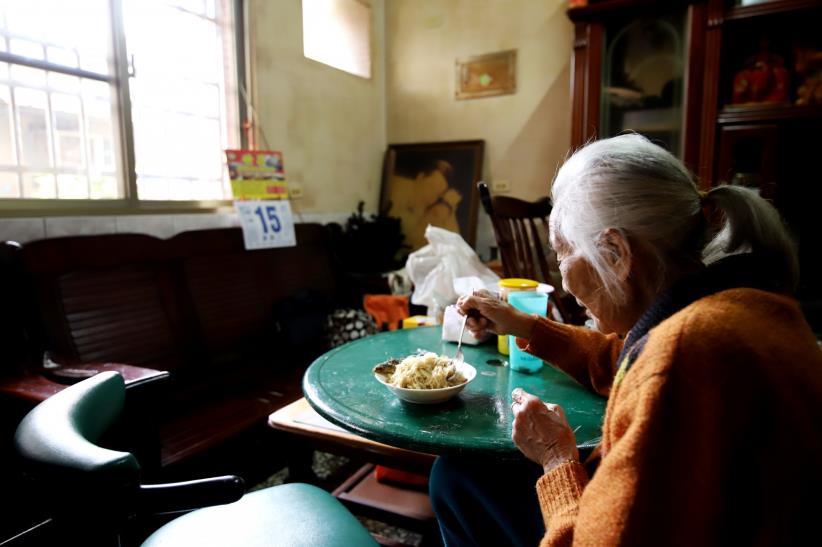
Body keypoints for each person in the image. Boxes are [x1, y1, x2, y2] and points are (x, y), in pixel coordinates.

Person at [430, 133, 822, 546]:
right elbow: (628, 358)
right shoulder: (732, 309)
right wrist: (523, 325)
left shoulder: (683, 355)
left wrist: (556, 459)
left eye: (562, 252)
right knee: (461, 475)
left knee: (454, 480)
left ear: (616, 254)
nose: (561, 277)